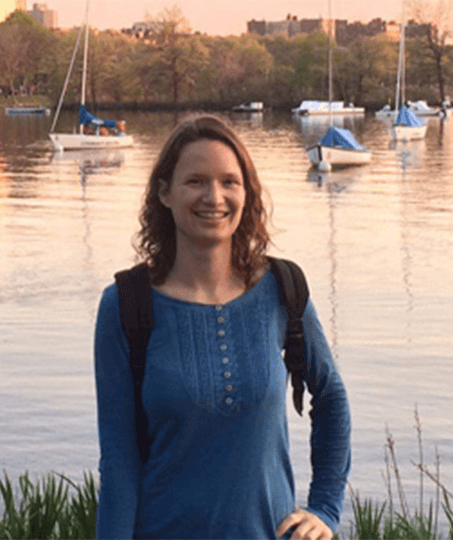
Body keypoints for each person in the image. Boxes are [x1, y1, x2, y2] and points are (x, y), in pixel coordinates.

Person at [93, 114, 351, 540]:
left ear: (246, 193)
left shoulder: (282, 289)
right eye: (195, 181)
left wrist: (325, 506)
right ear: (164, 192)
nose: (214, 197)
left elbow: (331, 396)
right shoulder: (125, 305)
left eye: (229, 181)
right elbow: (119, 462)